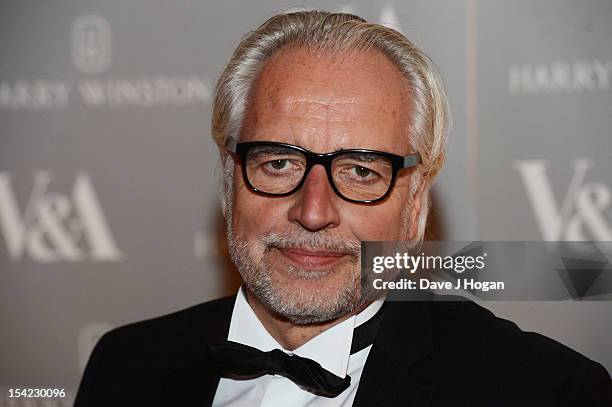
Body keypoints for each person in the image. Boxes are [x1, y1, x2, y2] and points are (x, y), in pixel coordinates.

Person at [74, 10, 611, 406]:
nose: (313, 212)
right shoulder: (125, 366)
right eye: (279, 163)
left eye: (361, 171)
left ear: (416, 204)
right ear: (227, 180)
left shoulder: (545, 391)